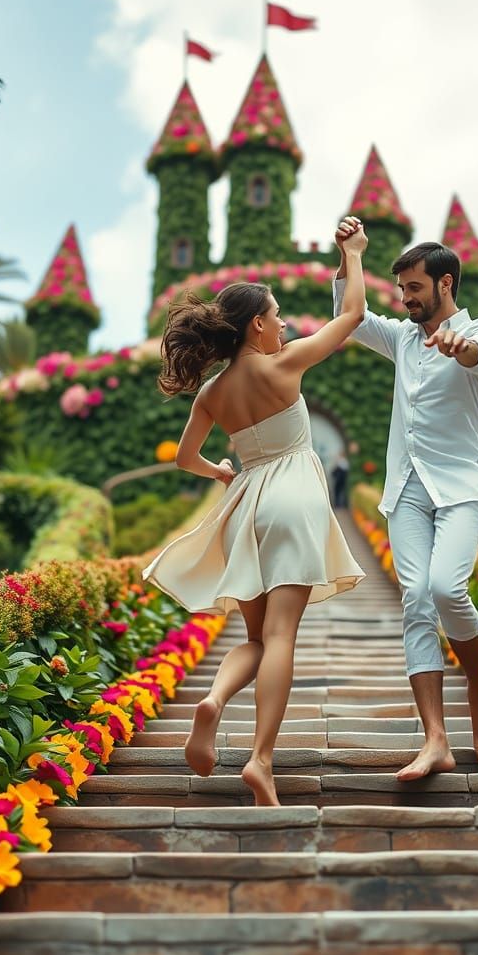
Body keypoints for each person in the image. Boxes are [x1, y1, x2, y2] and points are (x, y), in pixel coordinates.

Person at [142, 221, 370, 806]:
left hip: (247, 507)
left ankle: (214, 702)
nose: (286, 323)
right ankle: (261, 760)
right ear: (257, 325)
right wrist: (353, 255)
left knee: (253, 637)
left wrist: (222, 472)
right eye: (278, 314)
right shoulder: (283, 365)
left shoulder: (212, 392)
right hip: (294, 497)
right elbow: (352, 317)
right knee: (282, 635)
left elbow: (182, 457)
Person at [332, 218, 478, 781]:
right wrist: (352, 255)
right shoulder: (401, 336)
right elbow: (349, 319)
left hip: (463, 487)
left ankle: (477, 690)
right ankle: (435, 740)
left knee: (448, 588)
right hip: (406, 490)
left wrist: (460, 346)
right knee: (416, 600)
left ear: (445, 284)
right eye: (401, 290)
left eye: (415, 289)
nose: (405, 300)